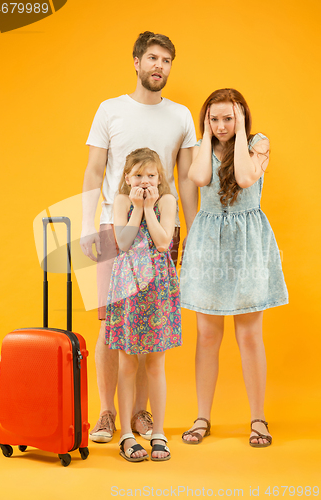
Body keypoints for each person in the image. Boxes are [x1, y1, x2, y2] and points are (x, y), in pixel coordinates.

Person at [80, 31, 197, 443]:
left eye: (166, 60)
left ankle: (142, 415)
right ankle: (108, 413)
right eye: (151, 58)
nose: (158, 66)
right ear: (136, 62)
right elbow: (95, 171)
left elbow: (183, 177)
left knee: (151, 320)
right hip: (116, 226)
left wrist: (193, 227)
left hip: (162, 227)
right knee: (112, 320)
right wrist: (86, 225)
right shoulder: (110, 110)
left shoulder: (181, 115)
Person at [180, 88, 288, 447]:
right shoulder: (202, 145)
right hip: (209, 243)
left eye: (229, 117)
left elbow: (244, 179)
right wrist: (208, 137)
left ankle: (258, 419)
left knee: (249, 335)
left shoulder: (258, 143)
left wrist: (241, 132)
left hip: (247, 243)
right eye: (215, 118)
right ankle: (202, 417)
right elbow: (198, 178)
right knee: (208, 335)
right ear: (206, 119)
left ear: (241, 116)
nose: (221, 124)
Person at [105, 148, 181, 462]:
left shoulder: (167, 202)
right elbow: (123, 243)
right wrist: (137, 207)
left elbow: (164, 242)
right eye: (138, 175)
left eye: (150, 175)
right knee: (126, 363)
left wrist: (150, 208)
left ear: (159, 178)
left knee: (155, 363)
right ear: (126, 178)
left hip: (159, 286)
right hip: (127, 286)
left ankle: (159, 432)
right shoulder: (122, 202)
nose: (145, 180)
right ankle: (125, 435)